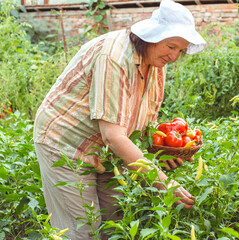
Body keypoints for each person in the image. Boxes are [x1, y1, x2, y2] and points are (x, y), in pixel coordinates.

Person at [33, 0, 206, 239]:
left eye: (180, 50)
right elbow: (113, 136)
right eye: (171, 46)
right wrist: (163, 183)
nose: (174, 55)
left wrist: (159, 154)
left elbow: (140, 121)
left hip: (107, 152)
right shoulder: (114, 57)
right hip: (66, 144)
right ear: (152, 37)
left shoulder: (156, 63)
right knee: (83, 230)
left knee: (113, 226)